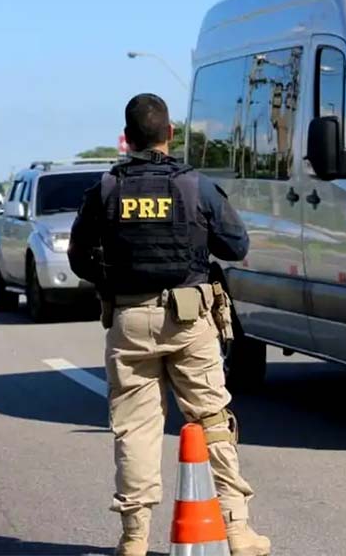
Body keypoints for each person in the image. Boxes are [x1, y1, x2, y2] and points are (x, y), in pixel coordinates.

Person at [69, 93, 270, 556]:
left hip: (129, 317)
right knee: (212, 419)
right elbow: (237, 246)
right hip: (189, 317)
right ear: (170, 134)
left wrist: (114, 282)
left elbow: (79, 258)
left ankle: (134, 538)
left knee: (135, 429)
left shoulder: (105, 189)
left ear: (127, 137)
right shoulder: (194, 186)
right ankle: (237, 530)